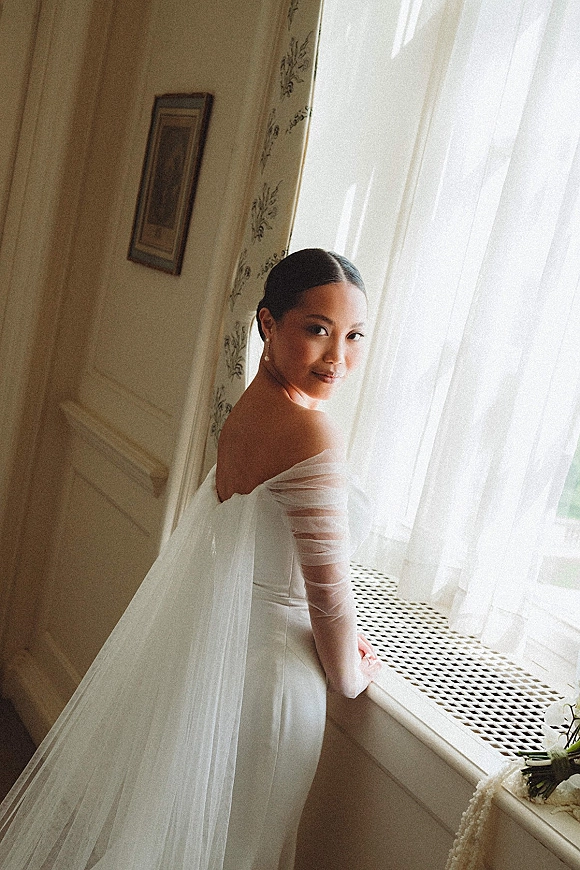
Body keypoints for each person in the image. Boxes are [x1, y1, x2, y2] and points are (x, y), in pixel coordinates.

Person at [0, 248, 380, 870]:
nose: (338, 357)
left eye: (354, 336)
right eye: (317, 329)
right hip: (276, 687)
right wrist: (352, 676)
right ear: (267, 324)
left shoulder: (256, 407)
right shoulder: (309, 431)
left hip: (228, 660)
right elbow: (330, 597)